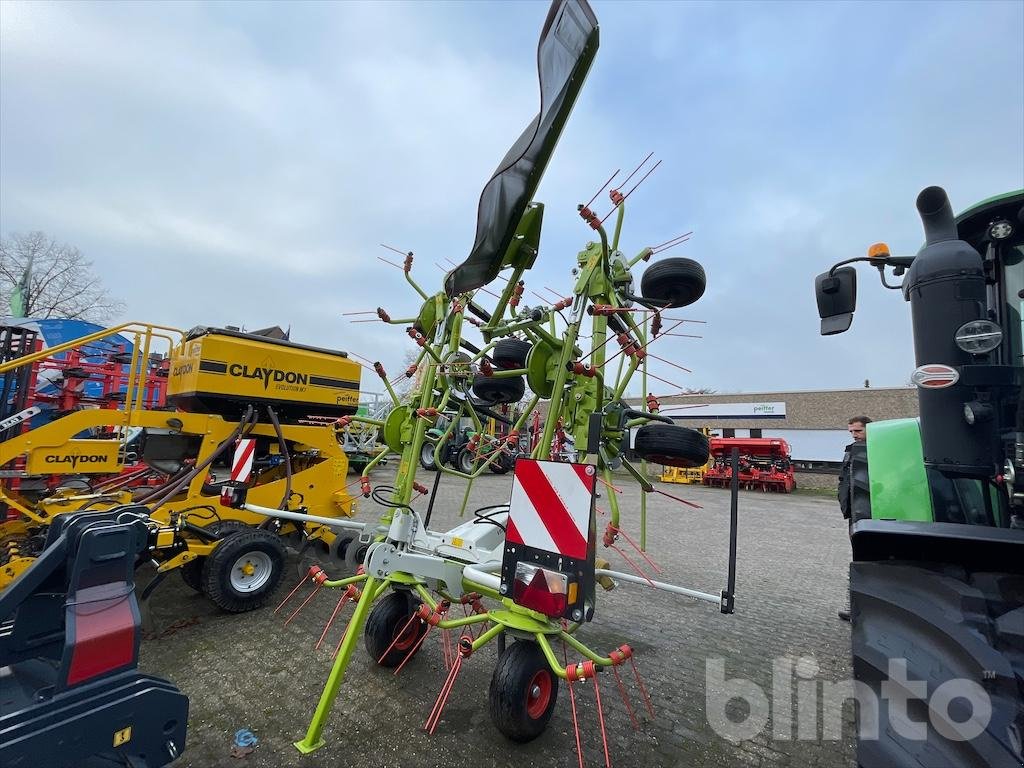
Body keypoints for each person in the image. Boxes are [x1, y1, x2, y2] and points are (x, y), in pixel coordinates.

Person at [838, 416, 871, 621]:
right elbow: (844, 478)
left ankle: (863, 609)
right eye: (851, 431)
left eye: (858, 431)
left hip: (870, 512)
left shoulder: (876, 450)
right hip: (855, 512)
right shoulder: (852, 450)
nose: (854, 435)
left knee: (865, 560)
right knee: (857, 559)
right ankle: (856, 607)